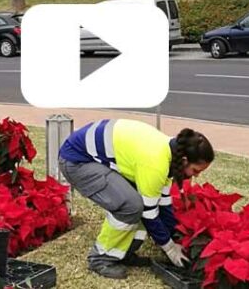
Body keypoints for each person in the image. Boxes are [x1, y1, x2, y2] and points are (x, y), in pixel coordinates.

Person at [59, 119, 214, 280]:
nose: (196, 175)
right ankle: (100, 259)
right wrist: (169, 247)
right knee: (130, 205)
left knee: (141, 204)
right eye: (196, 170)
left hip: (89, 156)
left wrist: (175, 238)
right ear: (184, 161)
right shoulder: (155, 163)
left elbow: (163, 204)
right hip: (76, 161)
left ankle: (124, 252)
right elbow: (149, 213)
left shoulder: (169, 156)